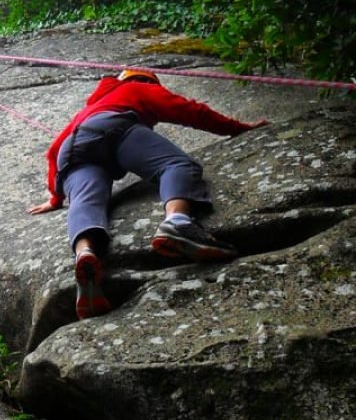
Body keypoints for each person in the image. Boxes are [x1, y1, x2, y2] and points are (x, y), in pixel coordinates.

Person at [27, 69, 268, 320]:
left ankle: (85, 253)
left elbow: (54, 151)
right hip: (114, 128)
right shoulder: (137, 87)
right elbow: (188, 110)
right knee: (176, 165)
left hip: (72, 150)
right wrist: (238, 129)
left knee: (85, 200)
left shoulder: (89, 108)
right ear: (145, 80)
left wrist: (55, 198)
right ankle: (177, 222)